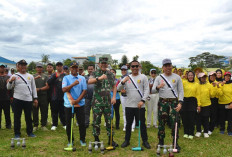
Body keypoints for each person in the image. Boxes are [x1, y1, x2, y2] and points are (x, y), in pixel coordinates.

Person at [152, 58, 183, 152]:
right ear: (163, 67)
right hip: (162, 102)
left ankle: (175, 143)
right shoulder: (158, 78)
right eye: (166, 66)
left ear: (172, 66)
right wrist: (158, 87)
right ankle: (161, 141)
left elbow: (181, 90)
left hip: (174, 103)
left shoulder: (177, 77)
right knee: (161, 123)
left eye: (169, 65)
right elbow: (153, 90)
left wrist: (180, 102)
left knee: (175, 123)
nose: (168, 67)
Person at [118, 60, 151, 149]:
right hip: (129, 105)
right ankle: (126, 140)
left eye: (137, 66)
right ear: (130, 68)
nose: (135, 68)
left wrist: (143, 101)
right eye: (133, 66)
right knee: (128, 124)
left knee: (142, 124)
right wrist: (123, 81)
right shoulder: (127, 78)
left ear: (139, 67)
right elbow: (118, 88)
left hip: (140, 105)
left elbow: (147, 90)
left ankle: (145, 141)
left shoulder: (143, 77)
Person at [88, 57, 118, 147]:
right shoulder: (95, 73)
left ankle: (111, 140)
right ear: (99, 64)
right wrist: (99, 78)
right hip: (97, 102)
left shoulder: (110, 74)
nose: (104, 65)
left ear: (107, 64)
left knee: (109, 121)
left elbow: (114, 86)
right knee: (96, 122)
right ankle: (96, 139)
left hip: (107, 102)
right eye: (102, 63)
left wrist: (113, 97)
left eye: (105, 63)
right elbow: (89, 81)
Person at [7, 60, 38, 138]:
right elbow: (8, 87)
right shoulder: (14, 76)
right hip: (17, 99)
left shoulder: (30, 76)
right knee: (17, 117)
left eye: (25, 65)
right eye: (21, 65)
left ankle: (30, 132)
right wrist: (10, 81)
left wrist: (35, 98)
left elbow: (33, 88)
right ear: (18, 67)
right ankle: (17, 133)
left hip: (28, 99)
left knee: (28, 117)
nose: (23, 67)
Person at [62, 62, 87, 146]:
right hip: (69, 104)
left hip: (80, 104)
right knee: (69, 123)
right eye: (73, 67)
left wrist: (77, 100)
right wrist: (72, 84)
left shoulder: (82, 78)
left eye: (76, 67)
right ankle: (70, 140)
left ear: (78, 69)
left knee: (82, 123)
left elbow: (84, 91)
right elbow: (64, 90)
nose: (74, 69)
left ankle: (82, 139)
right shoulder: (66, 78)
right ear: (70, 68)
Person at [195, 73, 216, 138]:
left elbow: (212, 95)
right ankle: (198, 131)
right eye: (202, 77)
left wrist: (214, 87)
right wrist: (198, 105)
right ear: (200, 78)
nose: (203, 78)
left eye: (204, 77)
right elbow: (197, 95)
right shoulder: (197, 85)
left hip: (207, 105)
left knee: (206, 119)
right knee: (198, 119)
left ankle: (206, 132)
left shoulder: (209, 85)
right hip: (198, 105)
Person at [47, 62, 66, 131]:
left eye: (60, 66)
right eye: (58, 66)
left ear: (62, 67)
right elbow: (48, 82)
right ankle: (54, 124)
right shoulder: (53, 74)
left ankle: (64, 123)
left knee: (63, 111)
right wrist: (55, 76)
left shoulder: (65, 75)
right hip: (54, 96)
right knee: (54, 111)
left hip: (63, 96)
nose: (59, 67)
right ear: (56, 67)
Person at [182, 71, 199, 139]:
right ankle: (186, 132)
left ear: (194, 76)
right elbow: (179, 89)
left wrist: (198, 105)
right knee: (185, 118)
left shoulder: (197, 84)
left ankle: (191, 133)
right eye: (189, 75)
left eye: (192, 75)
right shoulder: (184, 83)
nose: (190, 76)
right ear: (187, 76)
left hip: (193, 101)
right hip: (185, 101)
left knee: (191, 118)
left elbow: (198, 95)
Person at [33, 63, 49, 131]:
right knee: (34, 111)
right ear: (36, 68)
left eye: (40, 67)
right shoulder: (32, 76)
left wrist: (39, 89)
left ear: (42, 68)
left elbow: (47, 86)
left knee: (44, 111)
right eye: (38, 67)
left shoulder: (45, 77)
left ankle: (43, 125)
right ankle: (35, 125)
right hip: (35, 96)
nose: (39, 69)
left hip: (43, 96)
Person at [119, 65, 135, 132]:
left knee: (132, 111)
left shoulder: (130, 77)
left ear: (127, 70)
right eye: (122, 70)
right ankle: (125, 125)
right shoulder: (120, 78)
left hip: (130, 96)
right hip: (123, 96)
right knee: (124, 111)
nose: (123, 71)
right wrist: (121, 90)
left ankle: (132, 126)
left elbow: (132, 87)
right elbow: (118, 87)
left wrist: (127, 91)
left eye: (124, 70)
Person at [0, 64, 11, 129]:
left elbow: (10, 88)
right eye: (1, 67)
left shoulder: (8, 77)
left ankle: (8, 125)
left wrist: (11, 97)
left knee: (7, 112)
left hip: (6, 97)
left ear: (5, 69)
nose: (2, 69)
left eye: (3, 68)